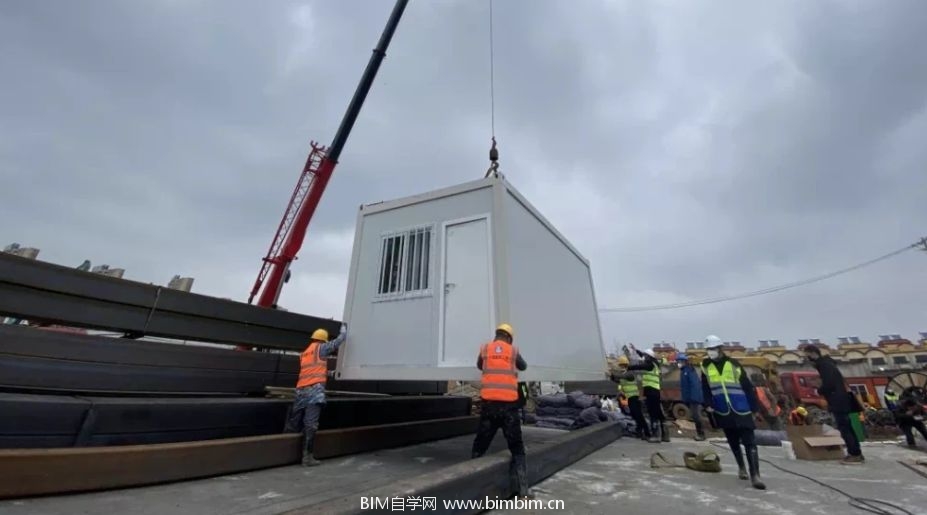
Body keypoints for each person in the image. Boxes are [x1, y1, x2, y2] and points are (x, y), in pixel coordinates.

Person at [471, 323, 530, 499]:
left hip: (489, 406)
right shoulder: (512, 351)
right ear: (509, 338)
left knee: (480, 444)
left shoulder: (485, 349)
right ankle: (523, 491)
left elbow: (480, 366)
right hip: (509, 408)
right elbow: (523, 366)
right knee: (517, 448)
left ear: (496, 335)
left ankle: (470, 482)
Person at [700, 335, 766, 490]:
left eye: (713, 349)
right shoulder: (705, 366)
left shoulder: (733, 364)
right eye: (709, 349)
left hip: (741, 408)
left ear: (720, 349)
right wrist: (708, 404)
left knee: (749, 441)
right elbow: (705, 388)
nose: (711, 352)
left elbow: (748, 387)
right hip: (722, 409)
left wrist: (755, 408)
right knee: (733, 441)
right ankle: (741, 467)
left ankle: (755, 474)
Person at [284, 323, 347, 466]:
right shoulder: (322, 348)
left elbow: (311, 370)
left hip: (301, 391)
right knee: (310, 424)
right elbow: (338, 341)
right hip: (314, 392)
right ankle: (307, 458)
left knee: (295, 422)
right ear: (323, 340)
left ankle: (284, 449)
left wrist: (328, 373)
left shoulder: (305, 353)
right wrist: (343, 331)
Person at [802, 344, 864, 464]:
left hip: (838, 400)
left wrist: (818, 390)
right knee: (847, 428)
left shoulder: (824, 365)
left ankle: (854, 454)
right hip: (841, 399)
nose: (808, 359)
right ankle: (856, 452)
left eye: (808, 356)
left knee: (845, 428)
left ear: (813, 353)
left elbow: (829, 383)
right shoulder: (828, 364)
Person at [627, 346, 669, 442]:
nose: (644, 358)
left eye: (646, 356)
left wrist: (629, 367)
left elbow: (640, 366)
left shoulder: (649, 365)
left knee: (652, 413)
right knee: (658, 412)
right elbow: (644, 356)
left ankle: (655, 436)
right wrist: (637, 350)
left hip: (651, 391)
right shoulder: (655, 364)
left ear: (649, 357)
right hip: (655, 391)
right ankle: (665, 436)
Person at [610, 356, 650, 440]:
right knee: (635, 415)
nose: (621, 367)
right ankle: (639, 432)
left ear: (625, 365)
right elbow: (618, 380)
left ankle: (647, 433)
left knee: (639, 416)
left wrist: (613, 374)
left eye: (622, 365)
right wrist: (612, 377)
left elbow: (622, 377)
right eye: (621, 365)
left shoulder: (629, 374)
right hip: (630, 398)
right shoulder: (624, 375)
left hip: (634, 397)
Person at [677, 353, 706, 441]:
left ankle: (701, 434)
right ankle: (700, 433)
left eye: (680, 361)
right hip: (690, 398)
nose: (678, 363)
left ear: (685, 361)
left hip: (694, 398)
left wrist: (694, 398)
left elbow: (695, 385)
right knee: (694, 416)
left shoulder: (689, 370)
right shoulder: (684, 371)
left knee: (696, 416)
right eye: (678, 361)